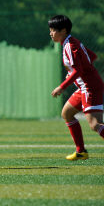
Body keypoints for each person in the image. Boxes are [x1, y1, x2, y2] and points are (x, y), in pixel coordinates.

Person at [49, 15, 104, 160]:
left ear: (64, 30)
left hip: (89, 88)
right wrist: (78, 72)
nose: (51, 33)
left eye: (53, 30)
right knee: (67, 113)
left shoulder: (70, 45)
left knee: (94, 124)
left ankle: (81, 151)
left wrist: (62, 86)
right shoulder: (72, 42)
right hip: (84, 87)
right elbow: (92, 56)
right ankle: (81, 151)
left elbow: (78, 70)